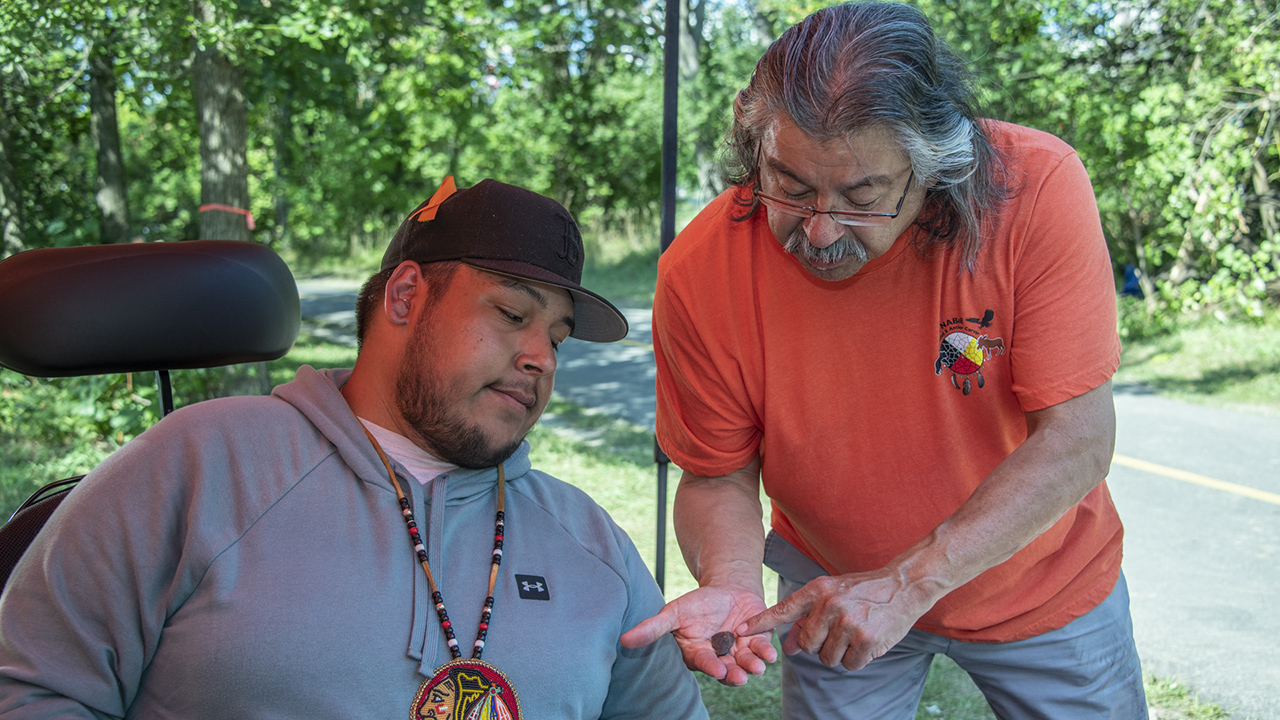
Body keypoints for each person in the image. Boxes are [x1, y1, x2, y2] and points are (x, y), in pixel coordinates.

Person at [0, 178, 708, 720]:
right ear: (405, 297)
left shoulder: (594, 545)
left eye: (555, 338)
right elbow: (28, 690)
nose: (540, 359)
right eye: (511, 314)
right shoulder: (199, 466)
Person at [620, 3, 1148, 718]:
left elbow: (1078, 440)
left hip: (1041, 585)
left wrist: (908, 583)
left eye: (862, 196)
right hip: (832, 593)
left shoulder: (1036, 188)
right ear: (755, 141)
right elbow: (716, 473)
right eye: (790, 185)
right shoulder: (699, 270)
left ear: (935, 167)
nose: (819, 228)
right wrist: (734, 577)